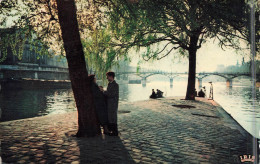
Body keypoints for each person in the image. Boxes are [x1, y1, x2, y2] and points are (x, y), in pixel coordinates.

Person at [101, 72, 119, 136]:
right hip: (109, 103)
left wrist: (103, 91)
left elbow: (111, 94)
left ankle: (115, 132)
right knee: (110, 117)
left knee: (113, 117)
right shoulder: (110, 84)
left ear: (111, 77)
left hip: (113, 104)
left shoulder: (115, 85)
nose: (107, 78)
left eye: (107, 76)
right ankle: (112, 131)